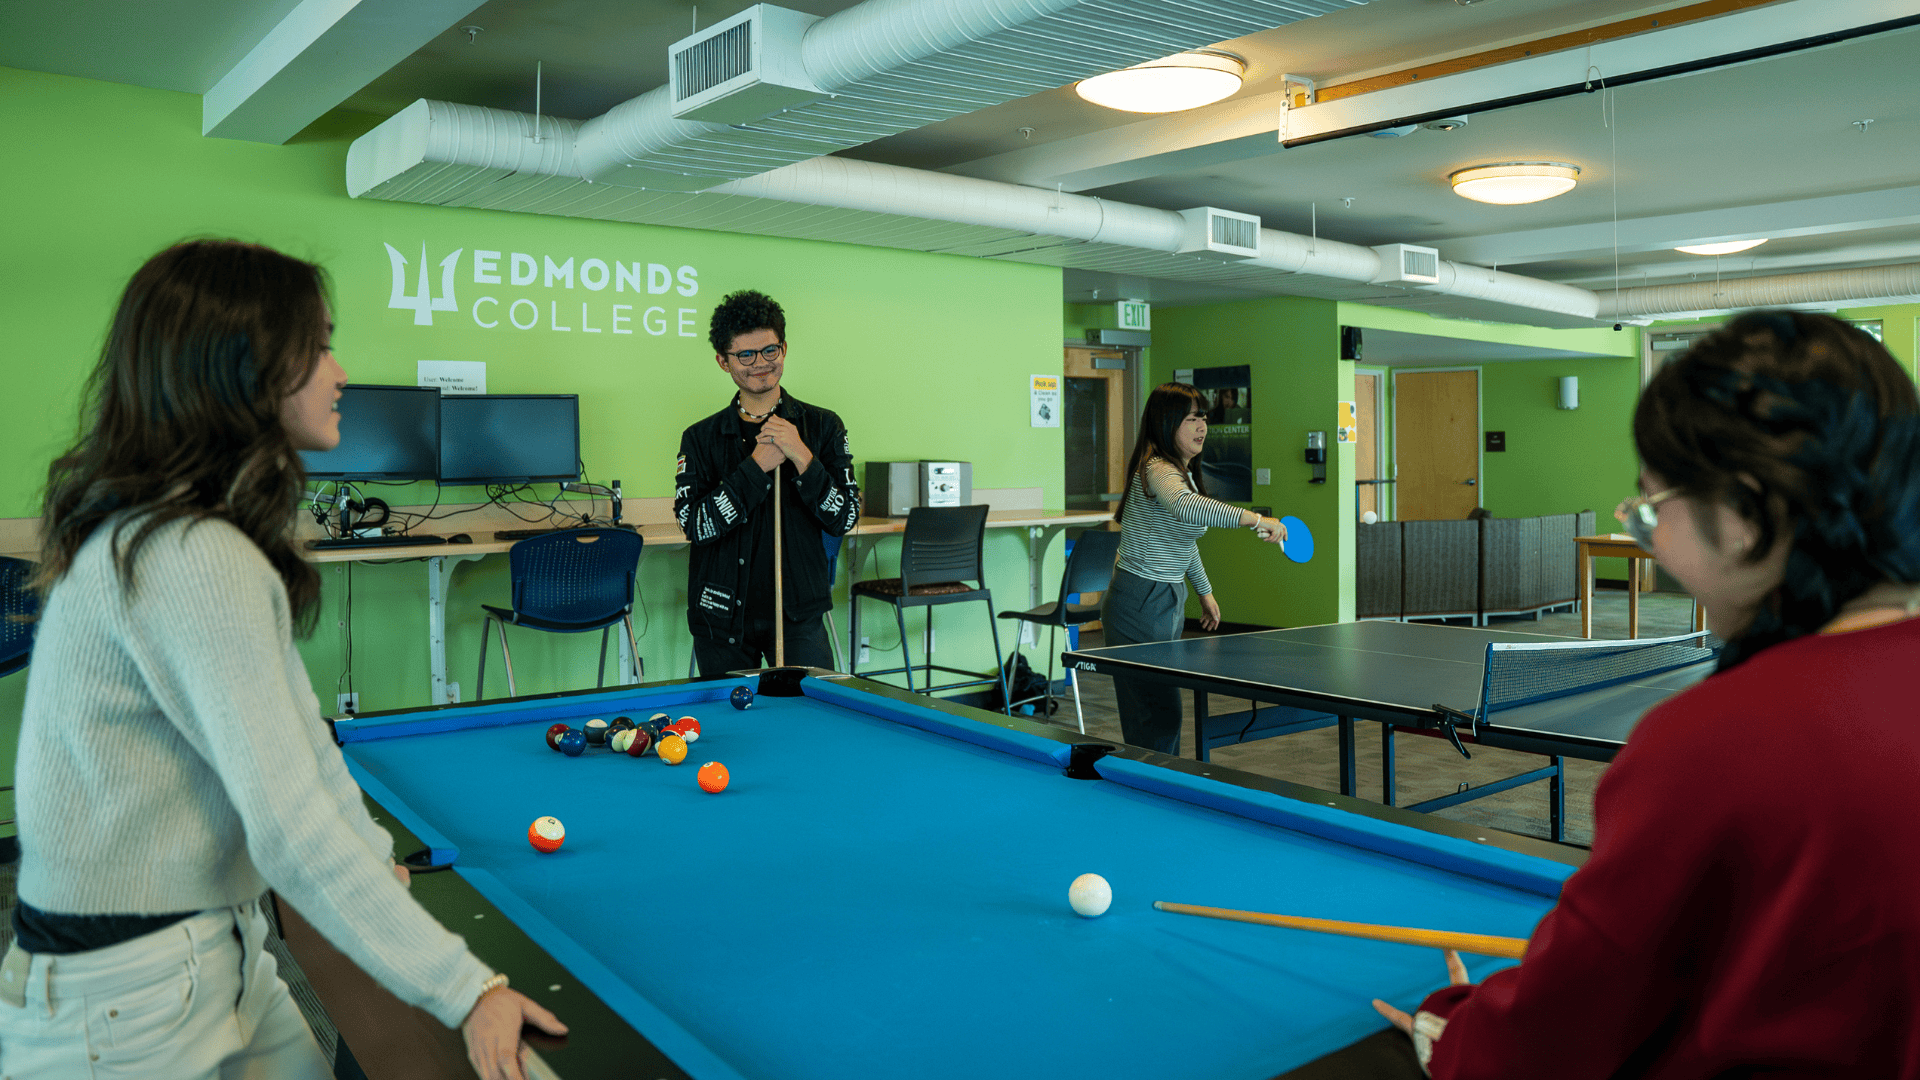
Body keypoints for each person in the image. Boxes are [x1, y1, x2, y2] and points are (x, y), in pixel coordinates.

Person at [1, 241, 563, 1080]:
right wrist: (467, 987)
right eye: (319, 345)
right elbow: (288, 819)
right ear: (243, 370)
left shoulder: (189, 534)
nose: (340, 372)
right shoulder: (190, 553)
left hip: (213, 946)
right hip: (122, 998)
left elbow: (305, 744)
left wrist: (378, 870)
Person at [1372, 311, 1920, 1077]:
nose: (1651, 544)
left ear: (1745, 513)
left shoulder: (1713, 738)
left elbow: (1556, 1039)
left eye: (1656, 510)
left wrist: (1452, 1028)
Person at [675, 289, 860, 675]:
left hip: (798, 616)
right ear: (723, 362)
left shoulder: (823, 426)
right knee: (729, 731)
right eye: (745, 355)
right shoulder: (700, 438)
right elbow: (696, 525)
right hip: (721, 619)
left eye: (769, 351)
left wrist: (801, 455)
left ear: (784, 348)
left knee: (809, 725)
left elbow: (844, 518)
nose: (760, 364)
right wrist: (757, 466)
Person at [1104, 383, 1286, 754]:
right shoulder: (1157, 470)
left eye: (1203, 417)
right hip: (1140, 597)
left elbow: (1183, 542)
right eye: (1191, 418)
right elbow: (1190, 509)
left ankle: (1151, 784)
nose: (1202, 426)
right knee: (1155, 712)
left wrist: (1204, 592)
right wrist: (1255, 519)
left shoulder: (1180, 472)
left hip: (1165, 596)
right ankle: (1149, 789)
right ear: (1166, 423)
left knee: (1159, 711)